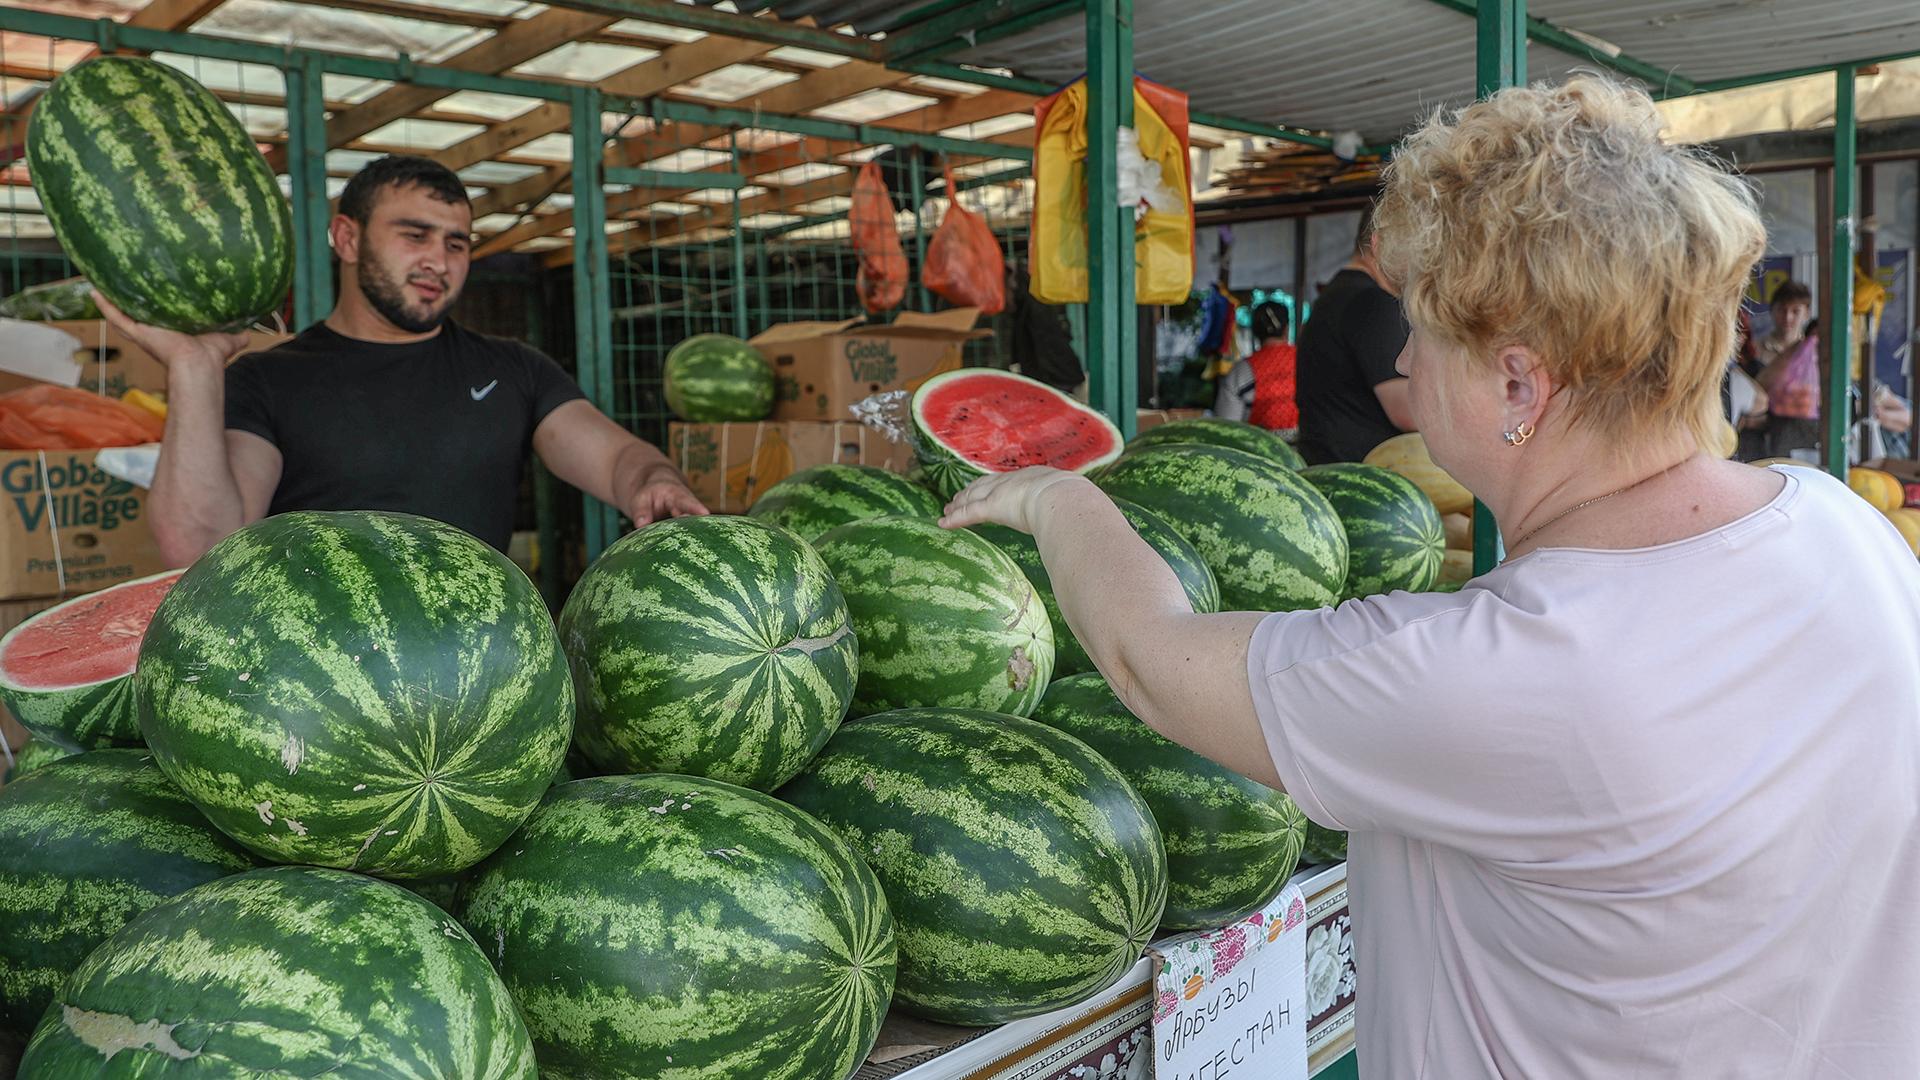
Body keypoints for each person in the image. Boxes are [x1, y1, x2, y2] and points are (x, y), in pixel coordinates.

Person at [941, 77, 1920, 1077]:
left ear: (1518, 383)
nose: (1404, 354)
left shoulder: (1507, 669)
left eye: (1422, 331)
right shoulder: (1848, 531)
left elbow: (1149, 659)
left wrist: (1057, 500)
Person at [99, 155, 705, 566]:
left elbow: (620, 457)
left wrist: (655, 484)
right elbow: (202, 549)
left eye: (456, 242)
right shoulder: (266, 381)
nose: (438, 261)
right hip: (324, 692)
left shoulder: (513, 370)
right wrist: (194, 369)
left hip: (485, 675)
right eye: (414, 236)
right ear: (347, 238)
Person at [1293, 207, 1413, 464]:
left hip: (1330, 470)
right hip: (1362, 479)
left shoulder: (1336, 295)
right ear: (1380, 244)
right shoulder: (1373, 304)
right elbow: (1408, 412)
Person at [1751, 280, 1822, 458]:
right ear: (1772, 311)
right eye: (1782, 310)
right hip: (1764, 436)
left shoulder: (1816, 352)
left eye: (1795, 311)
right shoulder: (1755, 350)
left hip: (1807, 434)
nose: (1788, 317)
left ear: (1807, 313)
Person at [1213, 301, 1298, 439]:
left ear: (1255, 332)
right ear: (1286, 329)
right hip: (1307, 453)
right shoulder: (1308, 361)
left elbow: (1225, 429)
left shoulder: (1240, 372)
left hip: (1259, 456)